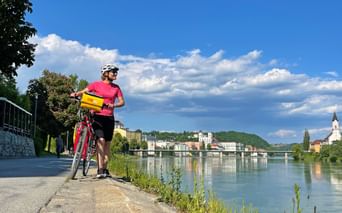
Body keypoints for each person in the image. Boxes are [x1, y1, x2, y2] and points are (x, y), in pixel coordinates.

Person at [70, 64, 125, 178]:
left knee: (107, 144)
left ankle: (105, 167)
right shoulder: (96, 84)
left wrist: (113, 105)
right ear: (106, 73)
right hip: (97, 115)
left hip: (109, 117)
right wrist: (75, 94)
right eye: (113, 71)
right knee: (101, 140)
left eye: (116, 72)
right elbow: (84, 91)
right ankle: (100, 170)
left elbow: (122, 102)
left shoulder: (116, 88)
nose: (115, 74)